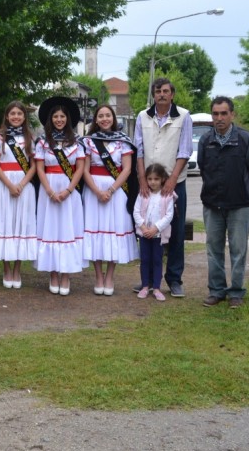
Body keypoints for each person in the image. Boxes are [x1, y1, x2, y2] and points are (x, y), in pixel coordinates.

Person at [199, 96, 249, 309]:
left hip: (239, 205)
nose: (219, 118)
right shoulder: (205, 141)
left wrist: (245, 193)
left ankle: (236, 292)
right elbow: (203, 168)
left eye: (224, 113)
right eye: (215, 114)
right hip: (212, 204)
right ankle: (216, 291)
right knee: (213, 249)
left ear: (232, 114)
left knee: (239, 250)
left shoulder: (247, 139)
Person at [134, 77, 193, 297]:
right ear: (153, 94)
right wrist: (141, 177)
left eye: (166, 91)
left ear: (172, 94)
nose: (161, 94)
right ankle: (148, 280)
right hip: (149, 183)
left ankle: (174, 279)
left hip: (174, 182)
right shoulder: (142, 116)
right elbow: (139, 149)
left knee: (175, 232)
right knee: (147, 230)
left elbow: (185, 150)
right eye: (158, 91)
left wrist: (172, 179)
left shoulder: (184, 116)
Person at [80, 105, 139, 296]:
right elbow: (85, 169)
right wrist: (98, 191)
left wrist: (111, 190)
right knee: (95, 230)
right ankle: (98, 276)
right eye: (100, 116)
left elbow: (127, 169)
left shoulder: (123, 142)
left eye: (108, 115)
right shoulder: (88, 142)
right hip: (93, 190)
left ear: (113, 118)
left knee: (114, 230)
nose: (104, 119)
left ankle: (110, 276)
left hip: (117, 190)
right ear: (95, 120)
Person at [0, 101, 37, 289]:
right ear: (7, 116)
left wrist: (20, 184)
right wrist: (11, 185)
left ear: (24, 117)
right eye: (12, 114)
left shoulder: (30, 138)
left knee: (19, 225)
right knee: (4, 224)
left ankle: (17, 270)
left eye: (19, 114)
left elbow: (34, 165)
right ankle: (6, 269)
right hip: (2, 185)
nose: (16, 117)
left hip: (24, 186)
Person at [34, 97, 87, 296]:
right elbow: (40, 168)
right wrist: (49, 191)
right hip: (48, 193)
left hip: (69, 193)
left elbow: (80, 169)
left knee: (67, 231)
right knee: (50, 231)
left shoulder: (77, 143)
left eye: (62, 116)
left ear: (68, 119)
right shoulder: (42, 143)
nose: (59, 120)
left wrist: (68, 190)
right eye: (55, 116)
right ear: (50, 119)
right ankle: (53, 274)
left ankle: (66, 275)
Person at [133, 163, 176, 302]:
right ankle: (145, 286)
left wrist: (156, 228)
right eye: (150, 179)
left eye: (156, 179)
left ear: (163, 179)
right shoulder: (142, 193)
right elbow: (136, 212)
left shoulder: (168, 195)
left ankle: (156, 288)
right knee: (145, 260)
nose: (152, 182)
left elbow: (169, 215)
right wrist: (144, 228)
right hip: (144, 234)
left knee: (157, 260)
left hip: (158, 236)